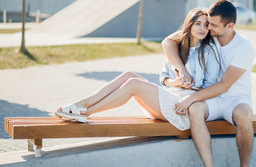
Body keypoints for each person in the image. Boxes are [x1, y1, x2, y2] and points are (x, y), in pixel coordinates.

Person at [55, 8, 220, 133]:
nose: (202, 28)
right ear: (189, 25)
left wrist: (189, 94)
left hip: (182, 108)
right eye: (197, 23)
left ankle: (86, 113)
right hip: (168, 98)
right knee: (128, 74)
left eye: (206, 25)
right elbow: (164, 78)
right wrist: (175, 82)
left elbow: (210, 87)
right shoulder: (178, 48)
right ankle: (80, 104)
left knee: (134, 83)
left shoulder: (208, 51)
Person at [162, 0, 256, 167]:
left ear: (230, 26)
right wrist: (182, 72)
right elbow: (168, 41)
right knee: (195, 110)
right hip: (211, 98)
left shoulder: (243, 47)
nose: (208, 28)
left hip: (236, 98)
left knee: (243, 114)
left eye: (214, 25)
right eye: (208, 23)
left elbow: (225, 85)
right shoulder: (209, 34)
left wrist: (190, 97)